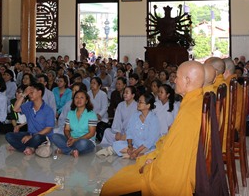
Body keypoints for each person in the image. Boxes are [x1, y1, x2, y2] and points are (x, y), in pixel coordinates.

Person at [100, 61, 205, 196]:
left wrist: (151, 165)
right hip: (156, 152)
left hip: (165, 172)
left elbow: (175, 158)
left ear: (187, 80)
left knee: (110, 188)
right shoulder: (193, 103)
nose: (174, 80)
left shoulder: (189, 112)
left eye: (177, 77)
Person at [5, 83, 55, 155]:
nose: (29, 95)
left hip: (42, 136)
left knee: (37, 138)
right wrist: (24, 94)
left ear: (40, 93)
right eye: (28, 93)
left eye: (32, 92)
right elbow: (15, 109)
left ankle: (22, 146)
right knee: (9, 136)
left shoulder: (48, 110)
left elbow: (48, 129)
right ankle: (27, 148)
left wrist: (31, 136)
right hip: (30, 134)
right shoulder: (28, 105)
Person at [110, 92, 161, 159]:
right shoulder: (135, 116)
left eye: (140, 102)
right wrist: (130, 146)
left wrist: (136, 152)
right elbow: (129, 132)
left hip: (147, 147)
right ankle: (137, 154)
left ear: (148, 105)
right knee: (116, 144)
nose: (138, 104)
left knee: (155, 150)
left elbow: (150, 140)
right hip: (135, 145)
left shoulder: (154, 119)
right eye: (138, 101)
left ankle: (136, 154)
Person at [50, 90, 97, 157]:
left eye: (82, 97)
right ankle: (71, 151)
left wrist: (76, 140)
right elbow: (66, 129)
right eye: (76, 97)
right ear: (73, 100)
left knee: (82, 143)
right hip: (72, 139)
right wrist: (69, 137)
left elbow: (91, 133)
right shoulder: (70, 113)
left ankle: (65, 150)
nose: (79, 100)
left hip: (86, 140)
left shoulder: (91, 114)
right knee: (54, 136)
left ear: (86, 101)